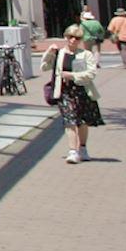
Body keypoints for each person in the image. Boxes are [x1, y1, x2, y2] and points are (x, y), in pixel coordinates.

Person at [46, 23, 103, 163]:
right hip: (65, 92)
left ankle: (82, 148)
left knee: (82, 122)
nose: (73, 40)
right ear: (65, 37)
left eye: (77, 38)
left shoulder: (85, 54)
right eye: (70, 37)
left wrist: (72, 75)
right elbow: (44, 66)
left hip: (82, 91)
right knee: (69, 120)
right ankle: (73, 151)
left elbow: (91, 73)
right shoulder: (59, 54)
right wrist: (49, 53)